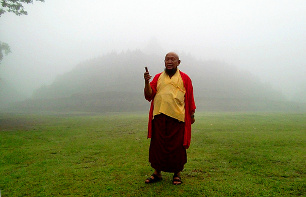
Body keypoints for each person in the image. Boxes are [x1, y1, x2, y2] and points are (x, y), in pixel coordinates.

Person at [143, 52, 196, 185]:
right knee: (157, 146)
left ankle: (176, 174)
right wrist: (146, 82)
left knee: (177, 148)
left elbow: (189, 98)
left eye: (173, 59)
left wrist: (191, 115)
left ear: (179, 62)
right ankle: (157, 173)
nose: (169, 61)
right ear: (164, 62)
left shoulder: (185, 79)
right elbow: (149, 94)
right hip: (159, 118)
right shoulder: (158, 77)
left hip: (177, 119)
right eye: (167, 59)